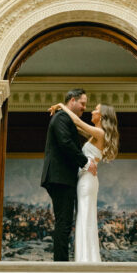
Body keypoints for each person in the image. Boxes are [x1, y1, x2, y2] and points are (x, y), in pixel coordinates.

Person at [48, 97, 119, 262]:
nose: (92, 111)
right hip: (85, 180)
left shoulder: (99, 133)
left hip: (87, 181)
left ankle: (86, 259)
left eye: (96, 109)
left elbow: (75, 120)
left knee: (84, 218)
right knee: (83, 218)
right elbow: (74, 126)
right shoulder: (94, 133)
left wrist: (61, 106)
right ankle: (84, 257)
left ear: (101, 116)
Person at [41, 89, 97, 261]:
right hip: (61, 178)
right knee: (64, 223)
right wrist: (86, 163)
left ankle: (61, 263)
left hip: (61, 178)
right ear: (72, 100)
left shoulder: (64, 117)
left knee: (64, 222)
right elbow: (65, 143)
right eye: (82, 103)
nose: (84, 108)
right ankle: (60, 266)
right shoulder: (61, 118)